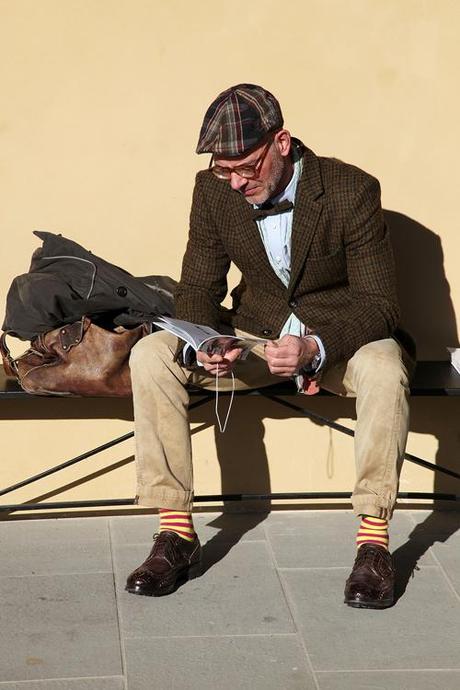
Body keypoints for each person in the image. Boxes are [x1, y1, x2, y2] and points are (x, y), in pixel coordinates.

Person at [125, 83, 413, 609]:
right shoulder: (213, 191)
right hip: (255, 332)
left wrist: (316, 348)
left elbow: (380, 305)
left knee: (385, 369)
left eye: (247, 169)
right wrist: (206, 339)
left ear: (281, 142)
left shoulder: (351, 190)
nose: (235, 183)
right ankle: (174, 532)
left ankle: (373, 544)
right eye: (223, 170)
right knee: (151, 355)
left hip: (340, 339)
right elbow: (199, 287)